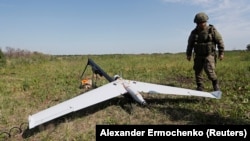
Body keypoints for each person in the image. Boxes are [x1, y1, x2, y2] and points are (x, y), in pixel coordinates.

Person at [186, 12, 225, 91]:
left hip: (209, 55)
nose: (201, 24)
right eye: (199, 23)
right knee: (198, 71)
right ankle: (200, 86)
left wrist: (221, 53)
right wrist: (188, 54)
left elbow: (220, 41)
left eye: (203, 22)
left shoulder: (212, 30)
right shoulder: (194, 32)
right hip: (198, 55)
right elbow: (190, 44)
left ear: (206, 22)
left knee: (209, 71)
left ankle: (215, 84)